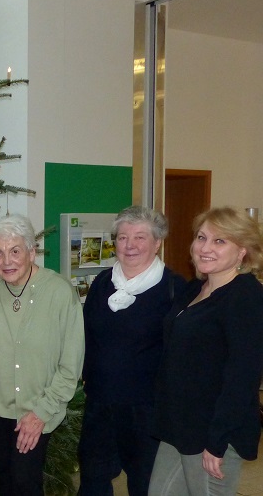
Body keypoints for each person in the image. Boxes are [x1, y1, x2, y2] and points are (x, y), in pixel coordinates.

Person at [0, 213, 84, 496]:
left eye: (14, 251)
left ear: (32, 252)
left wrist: (41, 413)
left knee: (25, 481)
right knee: (7, 479)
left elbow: (71, 366)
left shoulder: (59, 292)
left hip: (38, 405)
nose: (6, 261)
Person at [149, 206, 263, 495]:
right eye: (201, 238)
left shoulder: (246, 297)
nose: (205, 248)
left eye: (219, 241)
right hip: (179, 427)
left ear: (243, 252)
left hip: (213, 433)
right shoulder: (194, 290)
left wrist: (217, 441)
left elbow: (243, 377)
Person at [77, 206, 186, 496]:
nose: (130, 245)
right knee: (93, 480)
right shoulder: (102, 283)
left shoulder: (175, 289)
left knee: (145, 485)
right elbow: (87, 335)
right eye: (123, 237)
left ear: (158, 242)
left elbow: (182, 354)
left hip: (147, 412)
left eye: (140, 237)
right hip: (101, 405)